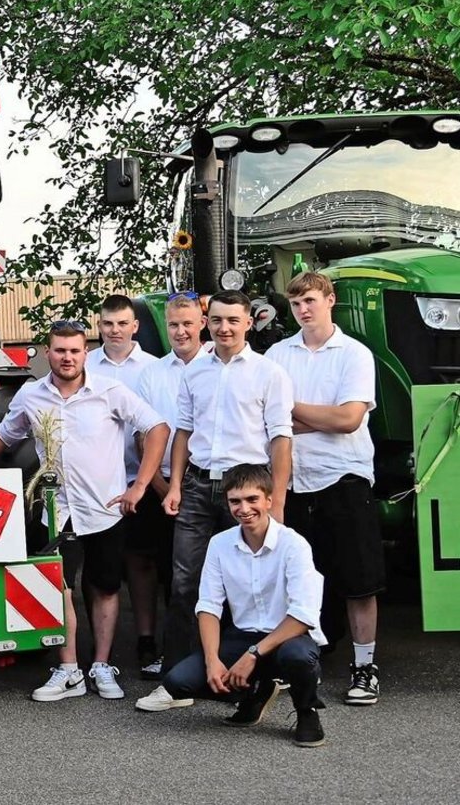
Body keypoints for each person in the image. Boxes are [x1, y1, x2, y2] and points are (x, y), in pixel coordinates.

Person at [0, 320, 167, 702]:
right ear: (47, 352)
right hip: (54, 509)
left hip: (104, 507)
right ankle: (68, 670)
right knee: (59, 587)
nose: (67, 357)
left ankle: (102, 665)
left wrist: (139, 485)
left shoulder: (109, 391)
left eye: (74, 350)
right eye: (59, 350)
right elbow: (1, 441)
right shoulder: (31, 396)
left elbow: (157, 428)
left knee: (104, 586)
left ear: (86, 352)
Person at [266, 271, 384, 706]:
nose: (303, 309)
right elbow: (272, 422)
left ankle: (365, 667)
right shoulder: (278, 354)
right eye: (296, 303)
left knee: (359, 580)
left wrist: (292, 412)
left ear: (330, 300)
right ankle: (298, 663)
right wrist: (320, 417)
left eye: (311, 300)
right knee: (297, 579)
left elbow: (349, 419)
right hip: (294, 481)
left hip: (345, 475)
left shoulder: (355, 354)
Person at [162, 290, 294, 673]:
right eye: (217, 320)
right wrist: (174, 486)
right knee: (185, 582)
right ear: (207, 322)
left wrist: (278, 501)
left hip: (247, 491)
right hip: (199, 487)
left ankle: (253, 674)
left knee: (251, 586)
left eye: (233, 320)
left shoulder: (269, 373)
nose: (224, 328)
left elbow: (281, 438)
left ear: (249, 323)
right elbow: (183, 432)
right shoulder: (194, 372)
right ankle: (180, 675)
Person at [155, 464, 326, 747]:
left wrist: (252, 655)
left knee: (298, 658)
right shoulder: (219, 544)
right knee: (178, 681)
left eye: (252, 499)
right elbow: (209, 605)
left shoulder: (294, 545)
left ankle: (307, 712)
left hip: (289, 637)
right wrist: (213, 662)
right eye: (235, 501)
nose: (244, 508)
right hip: (243, 635)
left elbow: (303, 615)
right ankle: (253, 695)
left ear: (269, 501)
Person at [132, 294, 213, 710]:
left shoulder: (220, 364)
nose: (180, 332)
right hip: (166, 487)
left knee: (223, 580)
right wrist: (165, 488)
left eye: (187, 323)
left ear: (202, 321)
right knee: (177, 581)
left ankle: (223, 663)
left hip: (215, 485)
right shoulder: (152, 372)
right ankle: (179, 666)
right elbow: (144, 433)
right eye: (173, 325)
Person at [86, 293, 163, 679]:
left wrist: (149, 482)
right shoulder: (82, 365)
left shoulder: (153, 369)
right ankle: (100, 651)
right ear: (98, 326)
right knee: (100, 572)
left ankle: (146, 640)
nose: (114, 331)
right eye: (107, 324)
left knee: (142, 563)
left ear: (135, 326)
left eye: (122, 324)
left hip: (138, 481)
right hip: (95, 487)